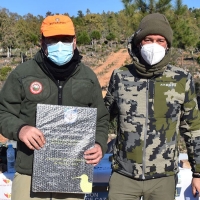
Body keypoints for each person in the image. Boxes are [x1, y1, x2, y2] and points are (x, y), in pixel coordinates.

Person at [0, 14, 109, 200]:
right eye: (53, 39)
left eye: (65, 39)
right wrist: (21, 129)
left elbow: (101, 119)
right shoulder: (22, 74)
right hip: (30, 172)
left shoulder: (88, 77)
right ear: (42, 42)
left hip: (73, 174)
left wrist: (99, 144)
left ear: (74, 41)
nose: (60, 44)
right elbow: (3, 112)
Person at [104, 13, 200, 200]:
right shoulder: (121, 76)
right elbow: (103, 117)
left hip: (163, 178)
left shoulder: (181, 79)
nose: (154, 44)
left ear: (167, 45)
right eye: (148, 39)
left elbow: (193, 128)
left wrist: (198, 173)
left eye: (160, 40)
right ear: (139, 42)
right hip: (124, 176)